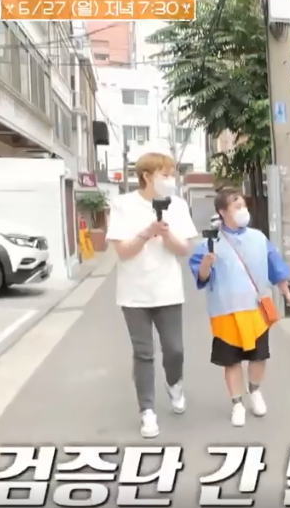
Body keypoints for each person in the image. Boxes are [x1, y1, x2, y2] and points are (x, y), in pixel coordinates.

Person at [105, 152, 198, 438]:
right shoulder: (122, 205)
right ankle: (147, 411)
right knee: (143, 353)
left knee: (174, 349)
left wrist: (166, 234)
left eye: (171, 174)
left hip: (168, 290)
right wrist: (147, 233)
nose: (170, 180)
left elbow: (184, 249)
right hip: (134, 293)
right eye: (164, 175)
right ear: (146, 176)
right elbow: (123, 252)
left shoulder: (178, 205)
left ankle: (174, 382)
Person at [188, 188, 290, 427]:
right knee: (232, 361)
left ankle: (254, 391)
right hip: (225, 311)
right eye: (236, 206)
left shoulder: (258, 238)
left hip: (256, 309)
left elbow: (275, 266)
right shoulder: (209, 244)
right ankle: (237, 403)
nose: (243, 210)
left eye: (243, 205)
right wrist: (206, 262)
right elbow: (202, 277)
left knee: (259, 357)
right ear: (222, 212)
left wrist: (286, 292)